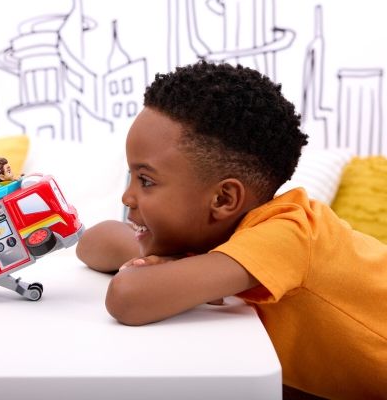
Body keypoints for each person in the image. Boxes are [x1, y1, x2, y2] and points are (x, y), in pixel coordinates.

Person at [76, 61, 387, 399]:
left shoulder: (288, 235)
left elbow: (128, 298)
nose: (127, 197)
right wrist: (176, 262)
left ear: (223, 198)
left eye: (146, 181)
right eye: (131, 177)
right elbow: (93, 242)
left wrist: (176, 267)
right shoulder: (218, 236)